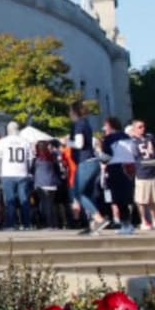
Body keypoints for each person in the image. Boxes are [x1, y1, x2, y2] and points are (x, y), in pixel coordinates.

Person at [67, 100, 106, 233]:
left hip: (85, 162)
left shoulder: (78, 124)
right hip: (93, 161)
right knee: (88, 194)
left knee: (79, 193)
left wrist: (67, 142)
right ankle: (93, 224)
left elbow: (79, 144)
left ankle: (99, 218)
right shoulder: (86, 124)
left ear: (74, 112)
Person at [0, 122, 32, 230]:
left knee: (10, 200)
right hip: (22, 173)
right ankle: (26, 224)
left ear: (8, 130)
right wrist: (27, 170)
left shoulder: (2, 142)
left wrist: (0, 173)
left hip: (7, 174)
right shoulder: (25, 142)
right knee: (24, 199)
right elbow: (30, 159)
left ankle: (11, 224)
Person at [102, 117, 137, 234]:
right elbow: (134, 152)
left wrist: (99, 156)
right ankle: (128, 223)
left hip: (116, 167)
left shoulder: (109, 139)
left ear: (110, 126)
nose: (104, 128)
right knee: (127, 197)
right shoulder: (127, 137)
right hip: (129, 168)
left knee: (118, 198)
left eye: (105, 126)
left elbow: (106, 157)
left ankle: (125, 224)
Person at [129, 119, 155, 231]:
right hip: (141, 172)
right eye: (139, 127)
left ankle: (154, 220)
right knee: (142, 200)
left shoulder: (149, 137)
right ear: (134, 129)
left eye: (143, 126)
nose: (142, 129)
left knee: (153, 199)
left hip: (152, 171)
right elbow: (133, 156)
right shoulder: (132, 141)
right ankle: (144, 221)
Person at [30, 140, 62, 229]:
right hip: (52, 183)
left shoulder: (36, 159)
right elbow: (57, 170)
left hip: (41, 184)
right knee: (51, 204)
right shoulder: (51, 158)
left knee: (44, 204)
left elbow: (31, 171)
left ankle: (48, 224)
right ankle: (55, 224)